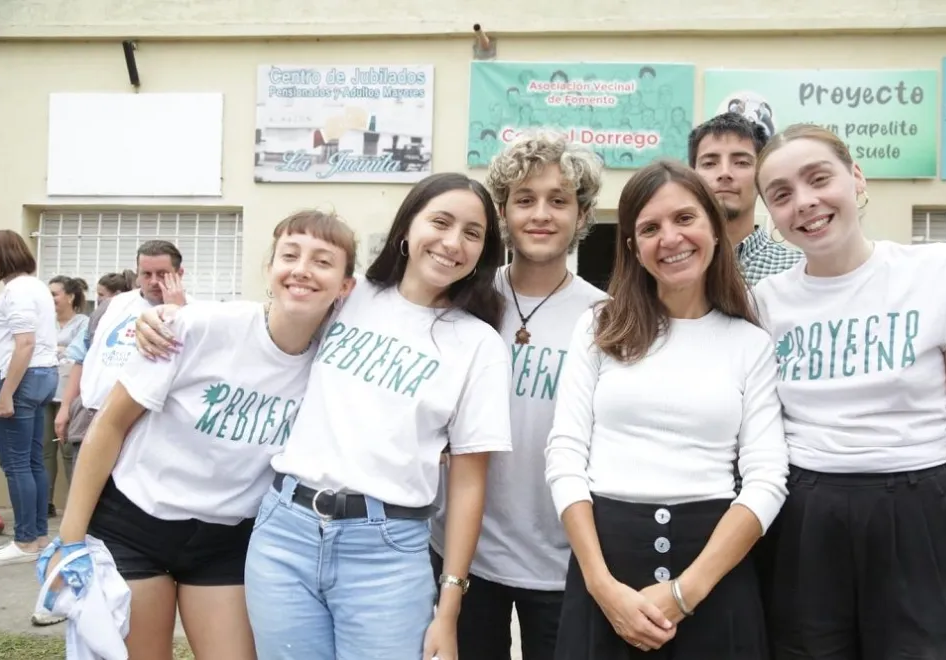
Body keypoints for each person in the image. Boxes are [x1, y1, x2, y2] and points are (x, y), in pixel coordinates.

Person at [39, 210, 358, 659]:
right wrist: (69, 542)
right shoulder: (196, 327)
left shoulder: (337, 362)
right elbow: (109, 425)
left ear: (346, 285)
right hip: (134, 524)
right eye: (290, 255)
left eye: (323, 261)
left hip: (226, 540)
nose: (302, 269)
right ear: (270, 269)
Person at [240, 172, 511, 660]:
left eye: (472, 233)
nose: (453, 242)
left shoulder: (479, 345)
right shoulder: (348, 293)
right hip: (285, 534)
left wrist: (448, 609)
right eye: (441, 222)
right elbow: (267, 327)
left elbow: (470, 483)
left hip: (386, 552)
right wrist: (168, 316)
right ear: (407, 228)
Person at [752, 123, 946, 659]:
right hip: (806, 519)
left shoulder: (941, 272)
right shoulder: (765, 302)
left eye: (819, 179)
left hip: (920, 511)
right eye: (782, 195)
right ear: (771, 213)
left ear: (856, 178)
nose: (805, 203)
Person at [545, 160, 789, 658]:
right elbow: (565, 456)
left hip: (713, 572)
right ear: (633, 248)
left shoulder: (750, 343)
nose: (670, 238)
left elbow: (766, 479)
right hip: (607, 566)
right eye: (650, 228)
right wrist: (602, 587)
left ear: (714, 229)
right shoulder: (598, 328)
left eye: (685, 219)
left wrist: (685, 593)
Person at [429, 130, 606, 660]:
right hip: (463, 557)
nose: (541, 214)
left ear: (582, 214)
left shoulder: (607, 317)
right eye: (525, 200)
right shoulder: (462, 299)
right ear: (503, 212)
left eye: (559, 200)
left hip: (563, 561)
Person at [52, 243, 187, 452]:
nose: (153, 281)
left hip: (150, 428)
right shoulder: (111, 306)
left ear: (179, 274)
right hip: (92, 418)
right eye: (146, 274)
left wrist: (177, 312)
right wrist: (66, 406)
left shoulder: (195, 314)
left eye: (162, 274)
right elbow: (83, 357)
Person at [0, 230, 59, 567]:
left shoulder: (16, 291)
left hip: (19, 379)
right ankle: (37, 538)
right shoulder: (34, 286)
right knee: (32, 460)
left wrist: (5, 394)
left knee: (16, 463)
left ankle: (24, 542)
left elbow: (25, 344)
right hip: (42, 376)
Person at [688, 113, 802, 286]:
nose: (724, 173)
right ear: (691, 176)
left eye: (741, 162)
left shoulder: (798, 271)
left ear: (762, 176)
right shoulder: (672, 268)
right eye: (710, 163)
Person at [52, 270, 137, 446]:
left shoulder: (141, 319)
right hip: (91, 410)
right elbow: (80, 360)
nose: (98, 300)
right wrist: (66, 407)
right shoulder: (96, 322)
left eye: (101, 295)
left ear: (118, 296)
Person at [44, 275, 89, 516]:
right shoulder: (46, 321)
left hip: (70, 396)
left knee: (69, 452)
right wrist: (59, 351)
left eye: (54, 294)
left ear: (70, 297)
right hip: (45, 393)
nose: (50, 299)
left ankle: (75, 506)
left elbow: (76, 355)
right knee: (44, 451)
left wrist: (56, 351)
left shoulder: (83, 322)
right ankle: (45, 503)